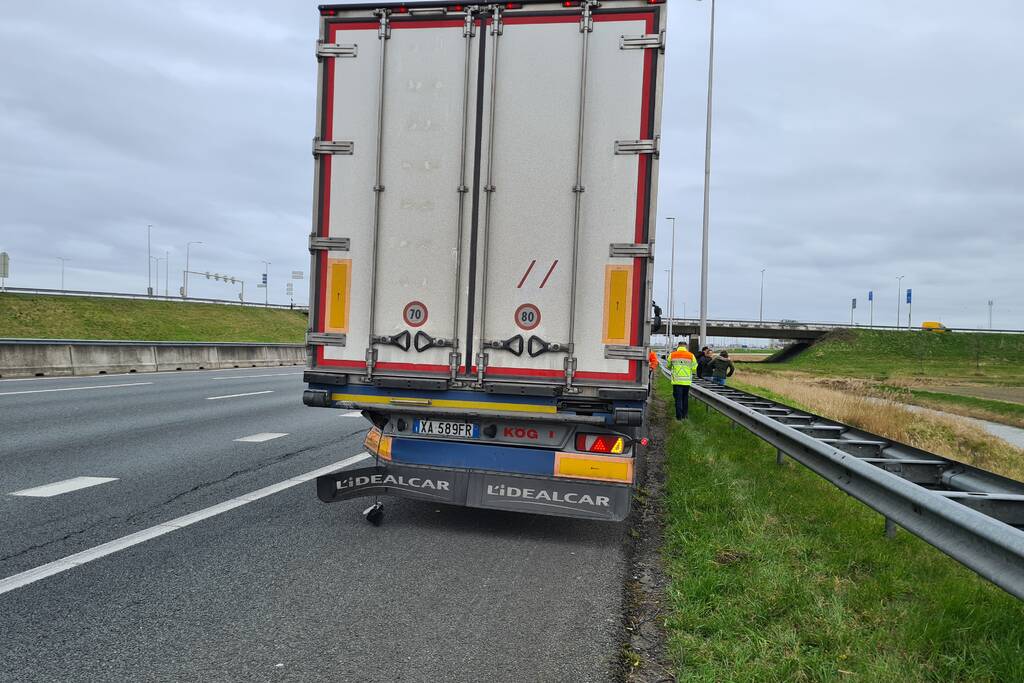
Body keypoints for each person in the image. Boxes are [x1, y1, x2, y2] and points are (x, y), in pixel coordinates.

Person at [668, 341, 697, 420]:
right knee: (685, 398)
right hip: (686, 381)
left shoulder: (672, 354)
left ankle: (679, 417)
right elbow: (694, 368)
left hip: (676, 381)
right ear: (686, 346)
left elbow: (668, 365)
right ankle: (685, 415)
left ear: (678, 346)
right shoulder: (691, 355)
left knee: (678, 399)